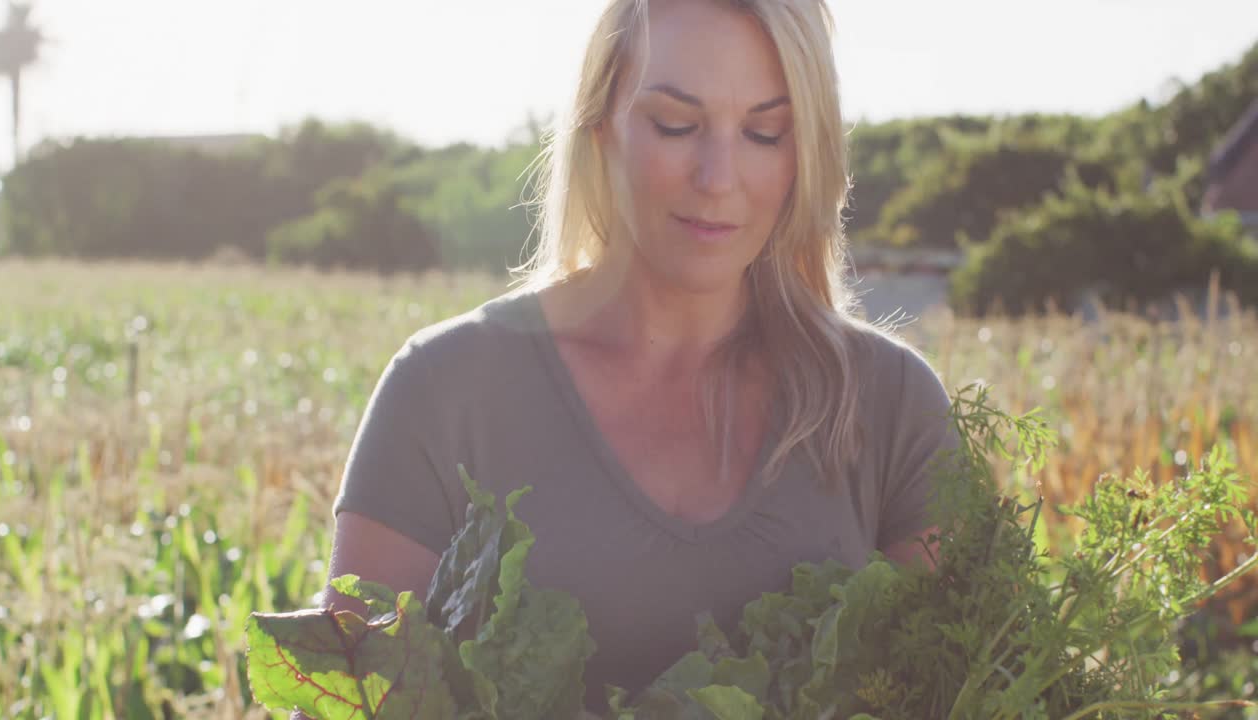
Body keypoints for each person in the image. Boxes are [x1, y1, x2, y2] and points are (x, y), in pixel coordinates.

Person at [304, 0, 960, 715]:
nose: (718, 177)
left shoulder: (892, 403)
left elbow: (964, 689)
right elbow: (345, 701)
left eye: (765, 133)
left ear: (807, 154)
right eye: (675, 125)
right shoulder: (443, 389)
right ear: (599, 127)